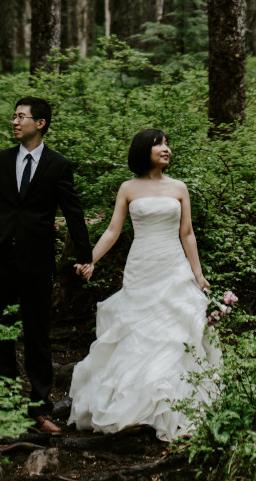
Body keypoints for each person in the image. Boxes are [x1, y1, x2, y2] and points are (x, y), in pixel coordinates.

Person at [67, 127, 220, 441]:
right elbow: (113, 231)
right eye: (158, 144)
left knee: (174, 331)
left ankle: (172, 404)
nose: (166, 148)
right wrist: (91, 260)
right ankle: (135, 402)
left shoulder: (179, 187)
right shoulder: (128, 188)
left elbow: (187, 233)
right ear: (143, 150)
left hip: (173, 266)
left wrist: (198, 275)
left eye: (167, 143)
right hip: (141, 266)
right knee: (138, 330)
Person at [0, 95, 93, 433]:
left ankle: (40, 411)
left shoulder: (58, 165)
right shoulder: (0, 160)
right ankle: (5, 408)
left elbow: (73, 212)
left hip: (37, 262)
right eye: (13, 116)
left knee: (38, 335)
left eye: (21, 116)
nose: (14, 121)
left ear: (40, 123)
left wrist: (84, 255)